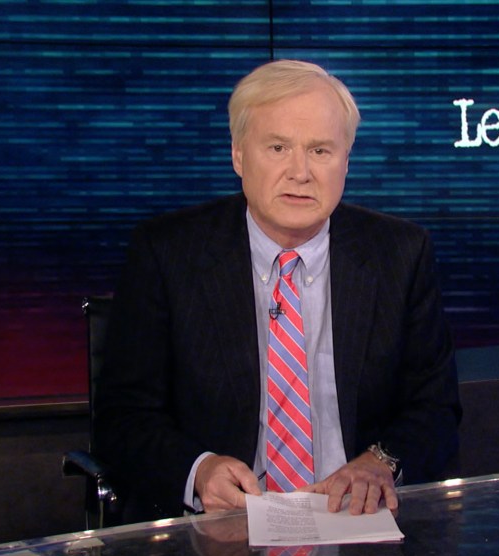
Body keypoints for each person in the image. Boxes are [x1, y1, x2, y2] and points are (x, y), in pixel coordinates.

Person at [93, 59, 462, 521]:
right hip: (220, 525)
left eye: (320, 151)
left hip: (354, 520)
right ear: (238, 156)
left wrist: (381, 462)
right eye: (278, 147)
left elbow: (435, 408)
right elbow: (122, 417)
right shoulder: (168, 254)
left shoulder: (400, 254)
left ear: (346, 162)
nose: (300, 172)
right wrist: (199, 471)